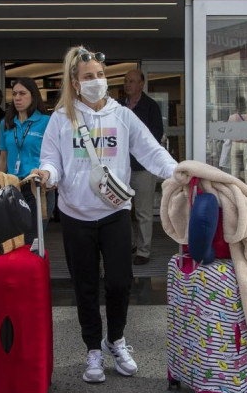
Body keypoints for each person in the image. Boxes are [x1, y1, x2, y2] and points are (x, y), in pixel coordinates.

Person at [33, 46, 177, 384]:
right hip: (75, 216)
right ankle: (92, 350)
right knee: (84, 286)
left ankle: (116, 340)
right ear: (75, 81)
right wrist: (47, 176)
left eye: (99, 75)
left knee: (119, 283)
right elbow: (51, 159)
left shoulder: (122, 115)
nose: (96, 81)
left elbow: (150, 150)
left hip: (114, 213)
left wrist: (177, 172)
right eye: (88, 77)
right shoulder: (61, 119)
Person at [0, 77, 54, 245]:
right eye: (14, 94)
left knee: (33, 240)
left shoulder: (46, 122)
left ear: (33, 96)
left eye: (22, 94)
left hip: (36, 186)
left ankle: (33, 270)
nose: (17, 98)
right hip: (13, 186)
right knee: (13, 238)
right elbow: (3, 156)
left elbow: (56, 155)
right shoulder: (6, 123)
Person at [120, 69, 163, 266]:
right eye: (126, 81)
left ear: (141, 84)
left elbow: (155, 137)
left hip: (143, 168)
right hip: (121, 168)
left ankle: (143, 251)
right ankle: (128, 244)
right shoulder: (118, 107)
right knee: (121, 208)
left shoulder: (150, 106)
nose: (128, 84)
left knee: (143, 212)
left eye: (132, 81)